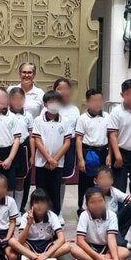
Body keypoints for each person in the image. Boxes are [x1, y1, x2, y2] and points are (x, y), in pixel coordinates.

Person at [32, 90, 73, 218]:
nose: (54, 104)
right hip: (42, 162)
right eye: (51, 102)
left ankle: (56, 214)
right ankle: (40, 214)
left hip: (58, 163)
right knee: (42, 189)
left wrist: (54, 160)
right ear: (45, 104)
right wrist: (48, 159)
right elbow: (37, 141)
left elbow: (67, 143)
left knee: (55, 189)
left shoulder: (65, 121)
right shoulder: (39, 120)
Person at [71, 187, 130, 260]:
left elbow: (111, 239)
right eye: (93, 202)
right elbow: (80, 240)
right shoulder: (84, 215)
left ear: (104, 202)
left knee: (125, 252)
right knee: (74, 250)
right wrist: (97, 257)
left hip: (106, 248)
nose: (97, 205)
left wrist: (115, 259)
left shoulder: (112, 215)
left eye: (100, 201)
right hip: (90, 247)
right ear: (87, 205)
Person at [9, 188, 71, 260]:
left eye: (43, 203)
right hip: (29, 245)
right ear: (32, 204)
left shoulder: (52, 216)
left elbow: (61, 239)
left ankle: (33, 259)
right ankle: (38, 259)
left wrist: (46, 254)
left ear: (47, 204)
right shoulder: (26, 216)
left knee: (67, 246)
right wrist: (28, 224)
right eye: (36, 203)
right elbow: (20, 241)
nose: (40, 206)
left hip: (47, 245)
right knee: (12, 241)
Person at [76, 88, 110, 213]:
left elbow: (111, 136)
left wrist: (110, 154)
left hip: (103, 151)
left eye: (99, 100)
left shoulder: (107, 116)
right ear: (88, 102)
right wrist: (80, 159)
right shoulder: (83, 118)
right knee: (86, 182)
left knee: (102, 181)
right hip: (89, 152)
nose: (97, 103)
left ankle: (101, 208)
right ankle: (83, 209)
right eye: (94, 100)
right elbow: (79, 139)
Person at [92, 166, 131, 247]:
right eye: (102, 179)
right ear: (95, 181)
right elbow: (86, 217)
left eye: (108, 178)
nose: (105, 181)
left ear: (112, 180)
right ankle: (114, 240)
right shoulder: (92, 194)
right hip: (100, 227)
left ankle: (118, 237)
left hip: (114, 223)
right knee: (121, 245)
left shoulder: (114, 191)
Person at [53, 78, 80, 213]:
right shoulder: (49, 107)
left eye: (66, 89)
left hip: (68, 146)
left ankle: (59, 210)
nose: (63, 92)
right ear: (54, 91)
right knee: (49, 178)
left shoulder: (74, 110)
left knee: (62, 179)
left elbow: (76, 131)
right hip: (51, 147)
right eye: (59, 89)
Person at [9, 87, 35, 209]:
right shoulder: (6, 115)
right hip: (9, 148)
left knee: (21, 179)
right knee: (9, 179)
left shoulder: (28, 116)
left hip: (23, 149)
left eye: (20, 99)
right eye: (14, 99)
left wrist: (32, 155)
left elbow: (31, 137)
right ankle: (9, 209)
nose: (17, 101)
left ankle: (19, 209)